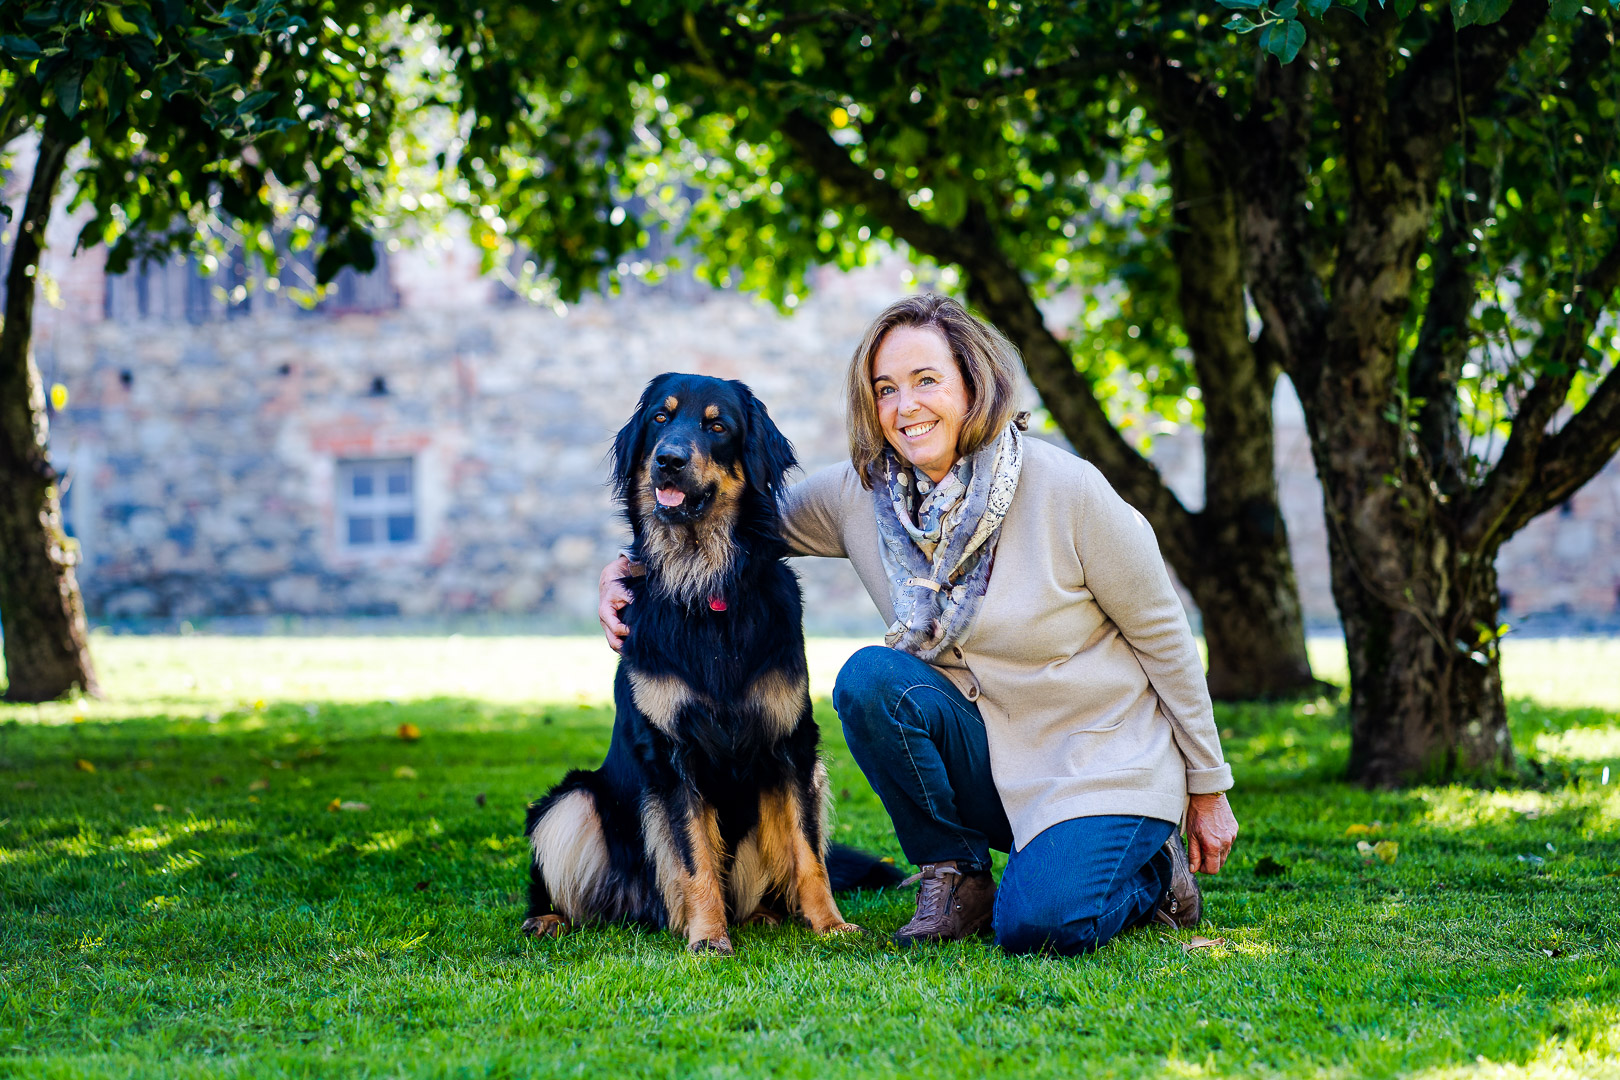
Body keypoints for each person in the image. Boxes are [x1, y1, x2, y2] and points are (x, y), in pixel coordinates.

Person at [598, 294, 1238, 955]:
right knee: (872, 679)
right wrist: (622, 569)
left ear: (974, 382)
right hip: (996, 757)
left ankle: (1156, 874)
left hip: (1101, 762)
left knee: (1039, 926)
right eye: (886, 389)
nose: (906, 406)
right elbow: (728, 515)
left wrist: (1209, 785)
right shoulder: (862, 494)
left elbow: (1163, 636)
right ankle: (956, 872)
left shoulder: (1067, 489)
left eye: (927, 380)